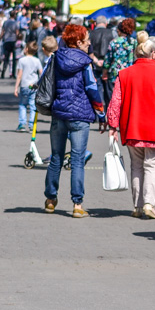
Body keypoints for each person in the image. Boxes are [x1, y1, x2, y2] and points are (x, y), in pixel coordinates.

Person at [107, 38, 155, 219]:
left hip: (132, 127)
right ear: (154, 54)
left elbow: (115, 102)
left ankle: (138, 206)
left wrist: (113, 125)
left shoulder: (124, 74)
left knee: (136, 166)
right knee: (153, 165)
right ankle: (149, 203)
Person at [43, 24, 105, 218]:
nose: (89, 43)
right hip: (80, 115)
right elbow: (92, 88)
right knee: (77, 160)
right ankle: (77, 204)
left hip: (59, 113)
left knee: (56, 157)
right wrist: (101, 113)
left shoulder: (56, 58)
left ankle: (50, 199)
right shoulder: (85, 62)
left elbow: (47, 81)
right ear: (78, 42)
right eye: (86, 40)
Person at [104, 17, 138, 95]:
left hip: (116, 74)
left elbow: (108, 60)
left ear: (119, 31)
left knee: (115, 96)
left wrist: (105, 72)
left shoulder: (114, 42)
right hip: (129, 74)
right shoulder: (134, 42)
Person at [89, 15, 117, 103]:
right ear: (106, 23)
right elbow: (116, 50)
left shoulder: (90, 34)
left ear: (95, 23)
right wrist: (106, 62)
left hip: (95, 64)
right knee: (109, 91)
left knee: (97, 89)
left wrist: (97, 61)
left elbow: (88, 50)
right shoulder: (113, 33)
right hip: (109, 65)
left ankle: (99, 108)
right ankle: (108, 108)